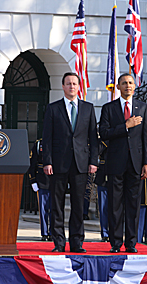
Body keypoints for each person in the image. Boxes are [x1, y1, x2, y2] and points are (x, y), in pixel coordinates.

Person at [42, 72, 98, 253]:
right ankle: (58, 242)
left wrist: (93, 161)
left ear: (78, 86)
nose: (72, 86)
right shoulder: (53, 108)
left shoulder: (88, 108)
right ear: (63, 86)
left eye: (74, 83)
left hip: (81, 164)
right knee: (56, 205)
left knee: (78, 205)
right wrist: (47, 162)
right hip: (58, 164)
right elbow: (47, 138)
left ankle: (77, 242)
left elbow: (93, 138)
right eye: (68, 83)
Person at [99, 73, 147, 253]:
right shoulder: (109, 108)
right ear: (119, 87)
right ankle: (115, 243)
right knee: (115, 205)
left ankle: (131, 243)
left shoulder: (142, 107)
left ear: (135, 86)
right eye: (124, 83)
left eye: (130, 83)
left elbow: (146, 137)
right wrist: (126, 126)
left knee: (133, 205)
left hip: (136, 165)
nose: (127, 86)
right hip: (116, 163)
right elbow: (104, 133)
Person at [28, 138, 52, 241]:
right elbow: (32, 162)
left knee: (54, 210)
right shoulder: (38, 144)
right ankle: (45, 233)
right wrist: (33, 180)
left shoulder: (59, 141)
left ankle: (53, 232)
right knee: (43, 210)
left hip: (55, 180)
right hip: (42, 180)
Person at [94, 139, 109, 242]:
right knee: (103, 207)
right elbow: (96, 151)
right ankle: (105, 233)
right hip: (103, 176)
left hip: (117, 175)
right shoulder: (102, 141)